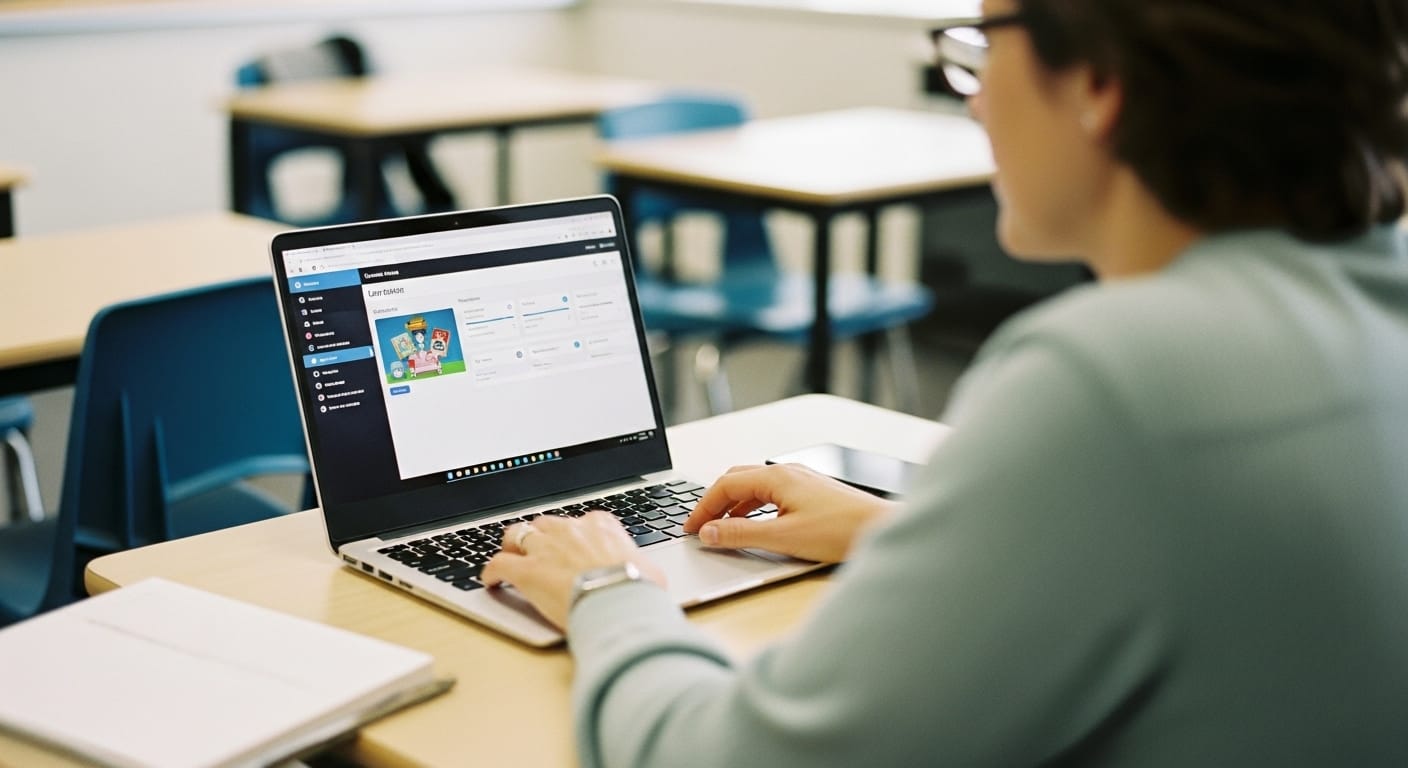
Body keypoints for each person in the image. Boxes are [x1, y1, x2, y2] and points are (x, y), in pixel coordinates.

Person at [483, 0, 1408, 764]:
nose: (970, 104)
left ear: (1096, 84)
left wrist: (609, 591)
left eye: (979, 46)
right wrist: (912, 534)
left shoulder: (1116, 380)